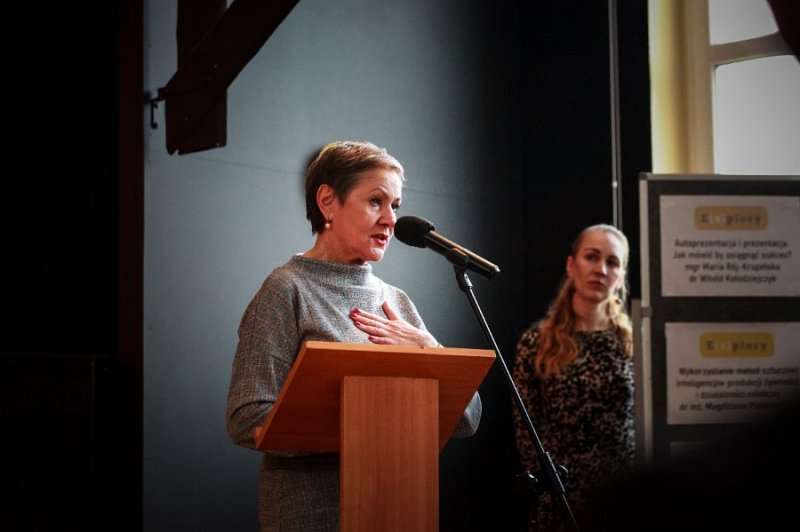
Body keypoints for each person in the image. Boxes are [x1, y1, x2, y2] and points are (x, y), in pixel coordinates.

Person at [225, 140, 482, 532]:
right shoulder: (286, 290)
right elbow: (246, 417)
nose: (391, 220)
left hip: (398, 511)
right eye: (376, 201)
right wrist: (367, 423)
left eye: (395, 205)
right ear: (328, 201)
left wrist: (430, 350)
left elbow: (467, 418)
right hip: (313, 516)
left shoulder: (395, 301)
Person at [511, 224, 634, 532]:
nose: (601, 269)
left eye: (612, 262)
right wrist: (548, 489)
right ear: (571, 264)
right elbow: (526, 432)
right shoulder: (536, 342)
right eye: (591, 257)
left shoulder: (636, 343)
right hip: (559, 496)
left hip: (622, 493)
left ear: (621, 275)